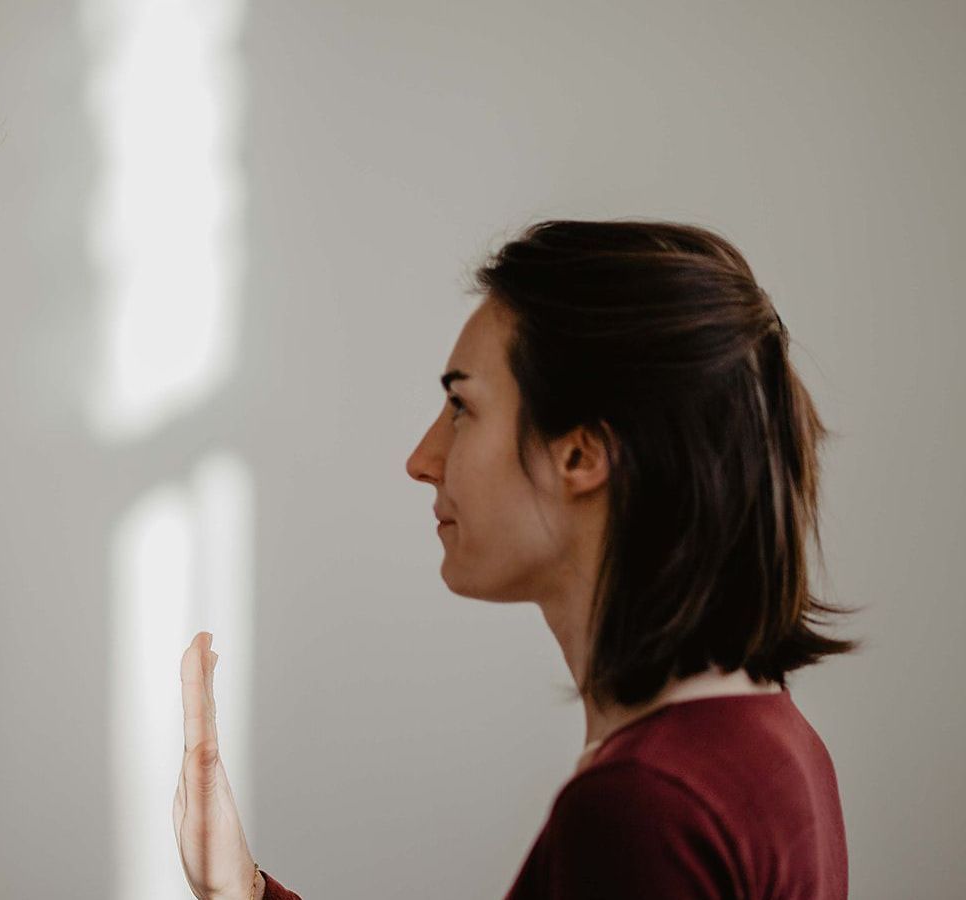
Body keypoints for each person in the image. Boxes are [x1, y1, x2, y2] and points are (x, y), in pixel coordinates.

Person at [174, 221, 853, 899]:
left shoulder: (643, 809)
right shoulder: (770, 742)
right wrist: (246, 891)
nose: (422, 460)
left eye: (461, 406)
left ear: (583, 455)